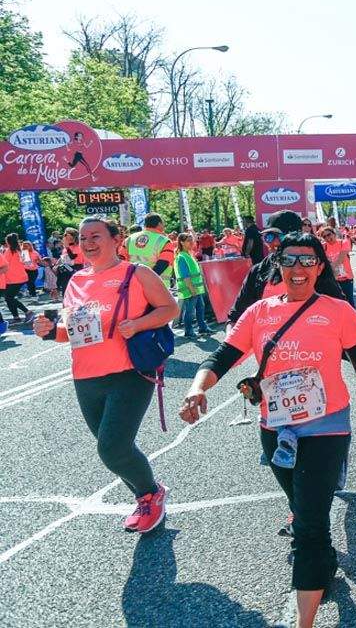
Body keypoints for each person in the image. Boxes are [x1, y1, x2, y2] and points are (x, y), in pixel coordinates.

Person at [181, 232, 356, 628]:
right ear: (278, 265)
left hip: (327, 426)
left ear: (319, 267)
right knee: (304, 508)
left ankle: (304, 619)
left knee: (309, 523)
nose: (298, 268)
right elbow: (223, 355)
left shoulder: (338, 310)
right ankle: (324, 561)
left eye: (307, 261)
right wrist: (197, 388)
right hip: (275, 429)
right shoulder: (259, 313)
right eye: (290, 260)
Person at [33, 217, 178, 533]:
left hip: (129, 373)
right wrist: (48, 332)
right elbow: (71, 333)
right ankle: (148, 494)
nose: (87, 243)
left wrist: (138, 324)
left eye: (95, 236)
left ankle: (149, 495)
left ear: (117, 240)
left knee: (112, 448)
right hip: (86, 377)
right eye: (83, 238)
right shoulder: (76, 281)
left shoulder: (136, 274)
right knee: (114, 449)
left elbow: (170, 309)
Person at [227, 211, 346, 327]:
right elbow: (235, 318)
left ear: (295, 236)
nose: (273, 242)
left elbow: (342, 313)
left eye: (278, 236)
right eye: (268, 237)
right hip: (266, 344)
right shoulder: (258, 271)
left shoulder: (313, 267)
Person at [174, 233, 212, 340]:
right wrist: (192, 289)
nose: (191, 242)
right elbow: (185, 276)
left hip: (195, 289)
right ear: (181, 242)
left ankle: (202, 327)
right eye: (188, 240)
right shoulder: (181, 257)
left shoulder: (189, 254)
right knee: (190, 311)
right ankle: (189, 331)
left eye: (192, 240)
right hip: (190, 289)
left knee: (200, 307)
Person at [127, 213, 175, 288]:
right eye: (163, 223)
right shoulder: (165, 241)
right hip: (158, 286)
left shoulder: (129, 239)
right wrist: (147, 281)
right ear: (159, 224)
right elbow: (163, 264)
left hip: (133, 284)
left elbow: (121, 260)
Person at [320, 226, 355, 309]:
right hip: (333, 280)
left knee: (349, 303)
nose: (327, 238)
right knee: (336, 304)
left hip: (346, 278)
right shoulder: (323, 247)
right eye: (324, 237)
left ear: (334, 234)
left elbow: (340, 259)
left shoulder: (344, 242)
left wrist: (329, 268)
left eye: (329, 235)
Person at [2, 234, 31, 322]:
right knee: (9, 298)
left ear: (8, 242)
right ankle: (16, 317)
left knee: (9, 298)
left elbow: (4, 264)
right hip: (22, 277)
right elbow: (28, 263)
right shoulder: (22, 250)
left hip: (12, 279)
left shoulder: (8, 251)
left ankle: (27, 312)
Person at [56, 227, 83, 296]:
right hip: (66, 267)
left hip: (76, 267)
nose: (66, 239)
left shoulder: (78, 246)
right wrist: (56, 265)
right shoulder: (66, 248)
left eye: (68, 237)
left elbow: (72, 257)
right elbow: (63, 257)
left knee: (76, 286)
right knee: (65, 285)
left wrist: (67, 247)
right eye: (65, 237)